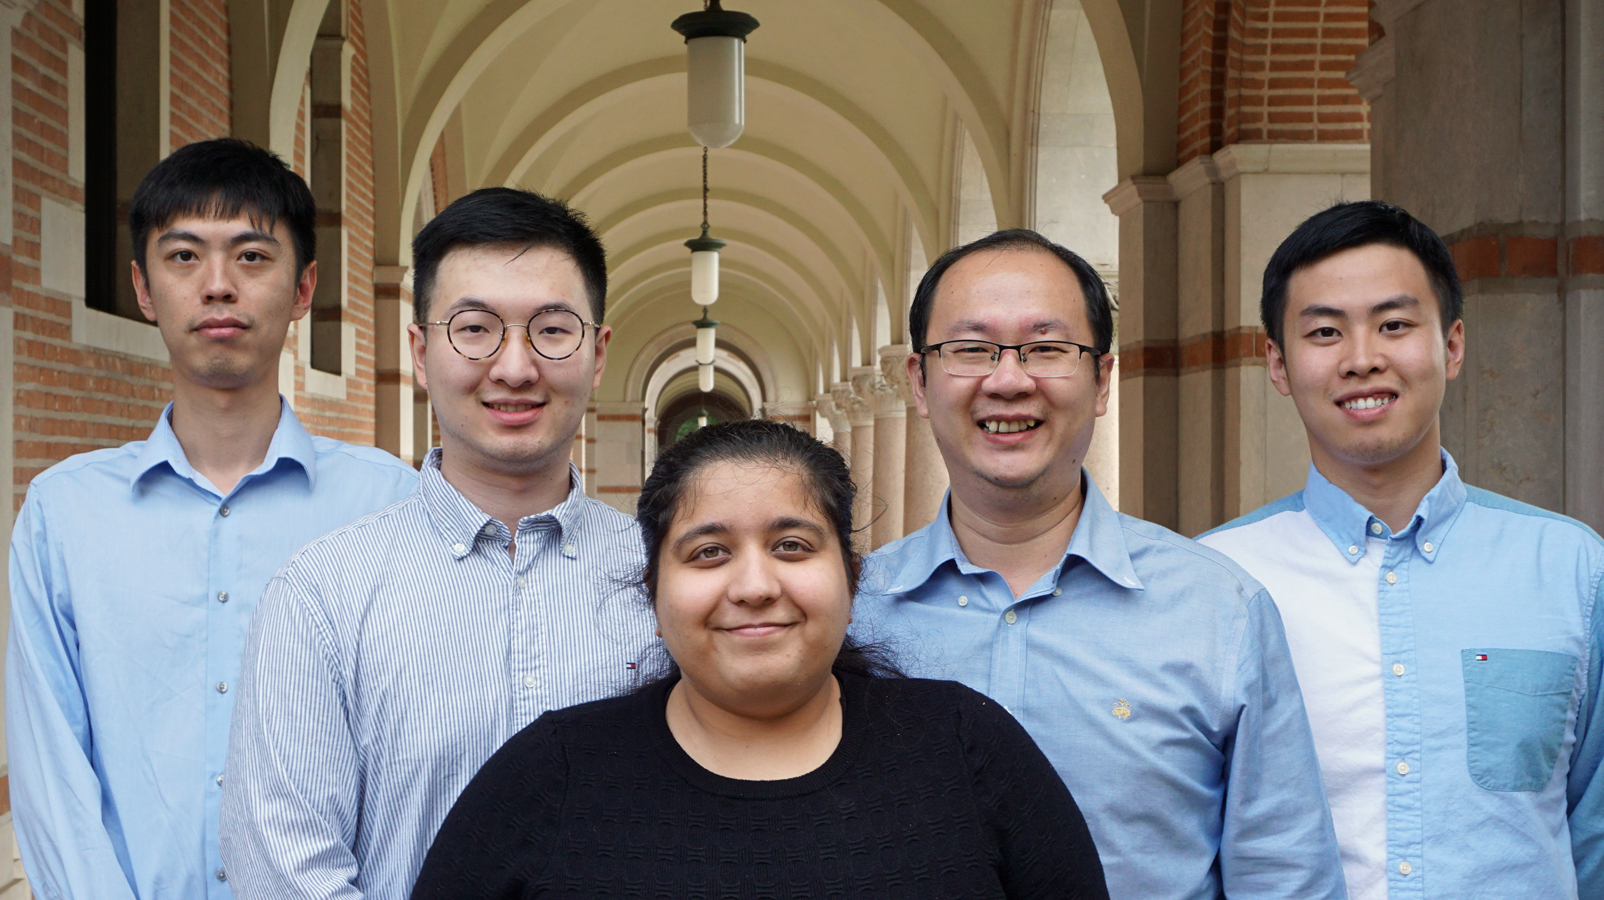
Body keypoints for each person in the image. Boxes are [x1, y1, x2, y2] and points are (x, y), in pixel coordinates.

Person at [410, 419, 1109, 899]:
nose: (753, 586)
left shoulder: (965, 747)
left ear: (852, 575)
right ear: (654, 590)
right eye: (708, 552)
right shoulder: (552, 774)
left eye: (793, 546)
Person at [854, 228, 1346, 900]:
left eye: (1046, 349)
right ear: (919, 380)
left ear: (1103, 378)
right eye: (970, 350)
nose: (1007, 379)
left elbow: (1287, 878)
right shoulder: (853, 613)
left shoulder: (1218, 609)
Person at [4, 139, 419, 900]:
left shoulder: (387, 505)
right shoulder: (65, 515)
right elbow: (49, 767)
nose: (218, 286)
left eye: (253, 257)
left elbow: (414, 757)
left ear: (304, 289)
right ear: (143, 287)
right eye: (185, 257)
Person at [219, 187, 658, 900]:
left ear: (598, 353)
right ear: (420, 353)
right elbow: (285, 870)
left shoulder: (662, 581)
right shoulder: (323, 594)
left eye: (552, 330)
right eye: (475, 329)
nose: (515, 368)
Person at [1197, 200, 1604, 900]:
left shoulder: (1572, 569)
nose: (1363, 359)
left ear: (1451, 346)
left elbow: (1593, 828)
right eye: (1325, 331)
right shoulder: (1214, 581)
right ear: (1278, 363)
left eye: (1394, 325)